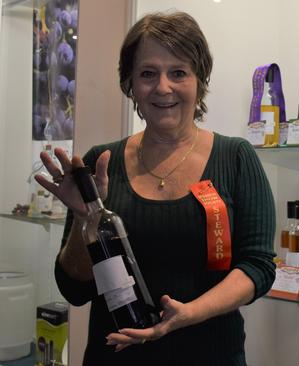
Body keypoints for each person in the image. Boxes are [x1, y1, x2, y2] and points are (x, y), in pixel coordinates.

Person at [36, 11, 276, 366]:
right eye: (148, 74)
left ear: (199, 80)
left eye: (178, 72)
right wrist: (85, 217)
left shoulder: (236, 158)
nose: (163, 87)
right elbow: (75, 289)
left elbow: (257, 266)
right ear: (131, 83)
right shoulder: (100, 162)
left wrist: (189, 314)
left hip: (211, 354)